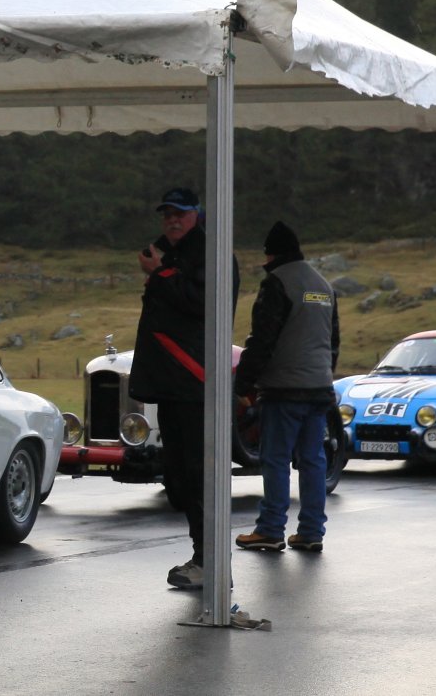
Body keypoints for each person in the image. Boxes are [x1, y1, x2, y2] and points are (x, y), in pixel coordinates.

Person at [126, 186, 238, 591]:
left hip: (196, 381)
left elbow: (203, 304)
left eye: (180, 213)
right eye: (166, 214)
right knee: (181, 477)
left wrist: (160, 273)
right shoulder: (172, 254)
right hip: (173, 383)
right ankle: (203, 557)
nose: (172, 220)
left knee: (200, 475)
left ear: (196, 215)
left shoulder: (212, 254)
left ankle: (211, 562)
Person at [233, 221, 339, 554]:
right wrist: (323, 375)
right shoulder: (324, 286)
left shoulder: (277, 282)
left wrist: (243, 382)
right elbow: (333, 342)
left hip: (283, 390)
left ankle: (270, 529)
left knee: (276, 459)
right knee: (312, 460)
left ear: (271, 253)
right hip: (319, 388)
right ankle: (311, 532)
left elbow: (262, 339)